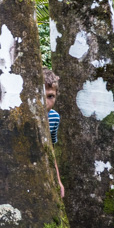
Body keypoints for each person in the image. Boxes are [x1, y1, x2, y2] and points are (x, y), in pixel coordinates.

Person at [44, 68, 65, 198]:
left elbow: (50, 149)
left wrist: (58, 181)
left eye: (50, 96)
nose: (46, 102)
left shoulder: (54, 117)